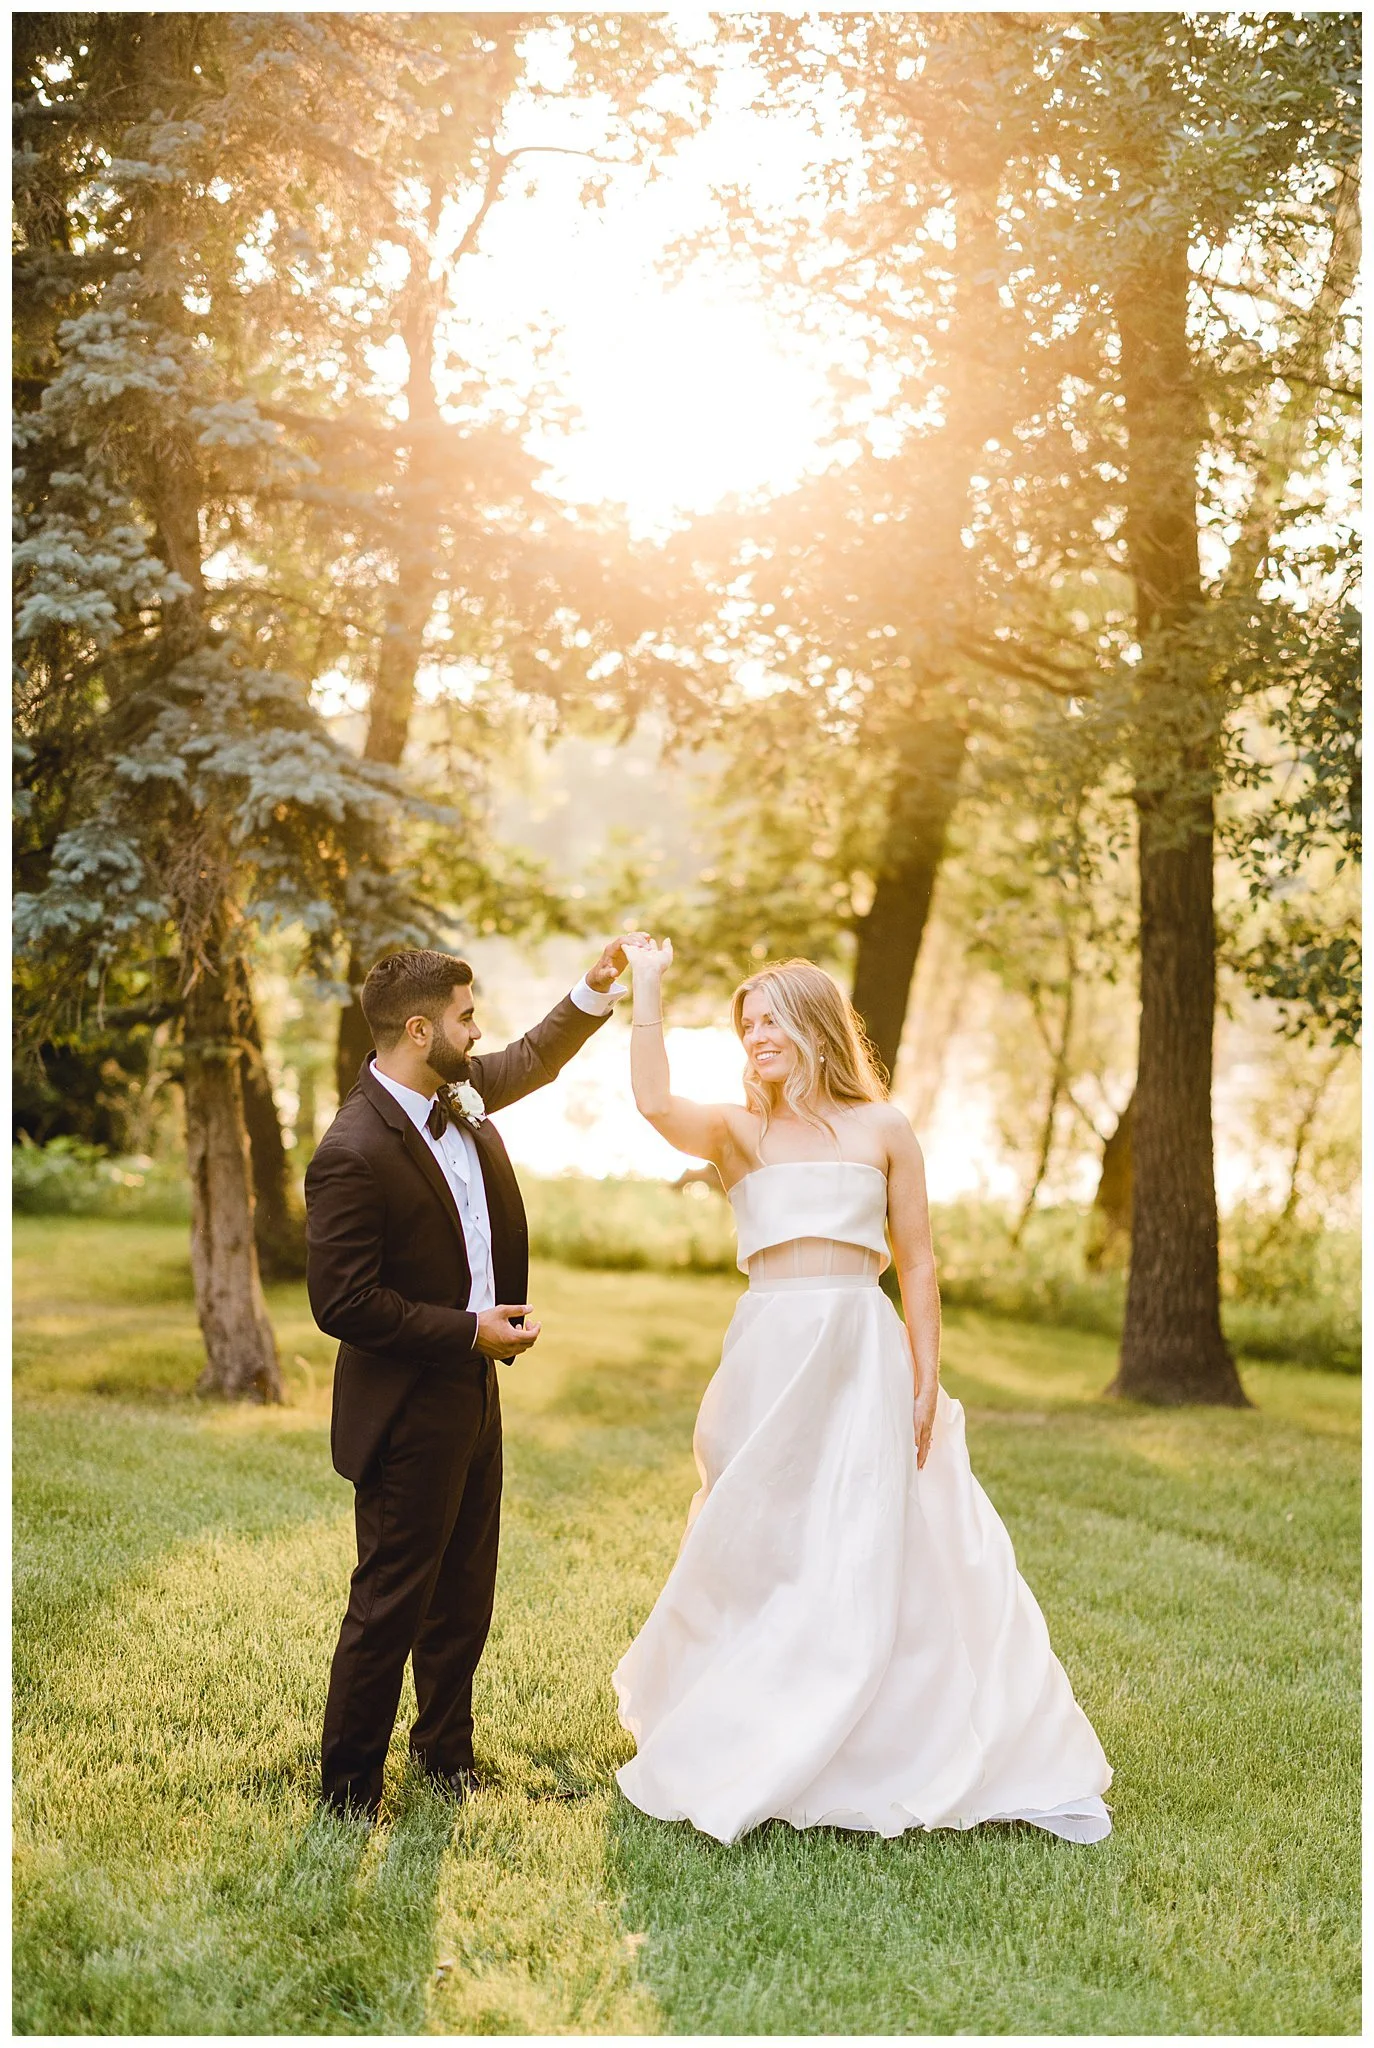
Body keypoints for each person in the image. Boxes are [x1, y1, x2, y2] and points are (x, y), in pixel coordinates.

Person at [612, 943, 1113, 1846]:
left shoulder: (884, 1127)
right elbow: (652, 1102)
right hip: (768, 1346)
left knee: (866, 1531)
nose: (756, 1037)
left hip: (860, 1344)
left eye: (771, 1020)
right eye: (746, 1025)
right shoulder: (737, 1131)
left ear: (812, 1024)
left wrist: (926, 1377)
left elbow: (917, 1260)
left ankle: (877, 1740)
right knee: (757, 1537)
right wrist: (648, 988)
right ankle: (752, 1724)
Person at [305, 938, 640, 1822]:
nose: (477, 1029)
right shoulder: (354, 1149)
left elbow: (530, 1056)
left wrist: (593, 990)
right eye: (464, 1017)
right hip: (409, 1401)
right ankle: (347, 1792)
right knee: (390, 1601)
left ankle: (446, 1756)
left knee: (464, 1590)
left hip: (473, 1391)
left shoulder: (455, 1093)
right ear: (420, 1031)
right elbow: (342, 1304)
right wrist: (468, 1330)